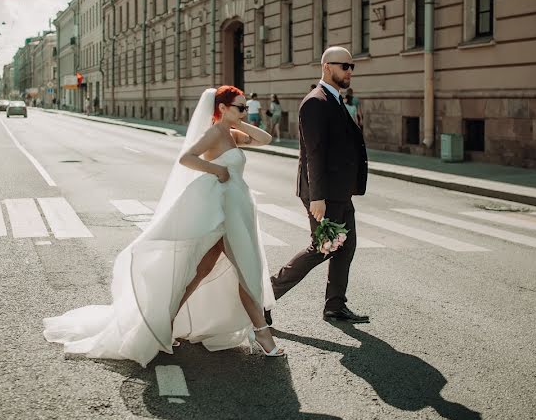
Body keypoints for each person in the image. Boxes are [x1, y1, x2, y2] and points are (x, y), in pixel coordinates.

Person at [43, 86, 283, 366]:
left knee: (201, 270)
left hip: (237, 208)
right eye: (240, 107)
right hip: (222, 211)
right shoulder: (215, 133)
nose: (244, 111)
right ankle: (263, 335)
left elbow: (265, 139)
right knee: (246, 271)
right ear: (222, 108)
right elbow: (187, 158)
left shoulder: (231, 133)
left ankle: (166, 324)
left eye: (244, 107)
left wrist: (239, 120)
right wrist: (216, 169)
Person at [267, 46, 369, 327]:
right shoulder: (316, 101)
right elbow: (314, 153)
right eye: (344, 66)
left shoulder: (334, 99)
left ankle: (335, 306)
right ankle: (264, 297)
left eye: (352, 67)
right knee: (322, 248)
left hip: (340, 192)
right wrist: (318, 197)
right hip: (323, 193)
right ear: (327, 67)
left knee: (345, 248)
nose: (350, 71)